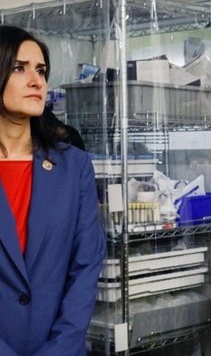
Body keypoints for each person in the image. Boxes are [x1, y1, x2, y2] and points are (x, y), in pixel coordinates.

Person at [0, 25, 105, 355]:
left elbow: (86, 266)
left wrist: (61, 348)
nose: (37, 81)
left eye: (41, 71)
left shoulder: (74, 166)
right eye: (19, 68)